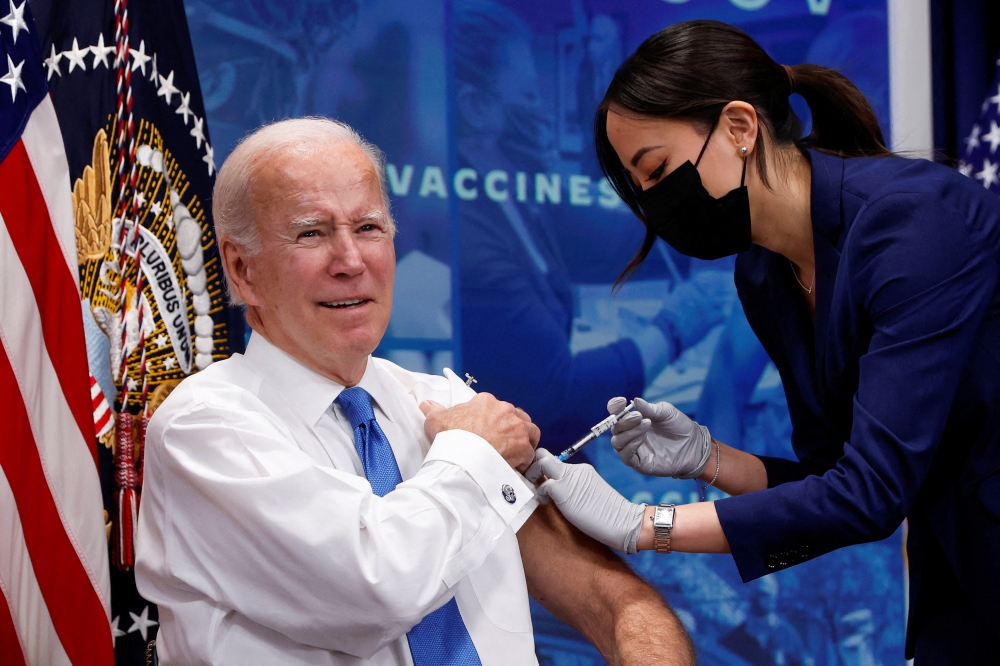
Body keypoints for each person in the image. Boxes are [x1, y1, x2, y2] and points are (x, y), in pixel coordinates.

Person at [134, 117, 693, 665]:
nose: (351, 262)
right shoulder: (204, 426)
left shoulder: (446, 407)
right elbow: (376, 588)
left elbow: (611, 597)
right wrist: (473, 455)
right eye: (312, 232)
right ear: (241, 269)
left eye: (369, 228)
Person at [526, 20, 1000, 664]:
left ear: (741, 128)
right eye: (641, 192)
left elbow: (867, 495)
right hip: (964, 593)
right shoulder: (764, 273)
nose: (657, 206)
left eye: (658, 169)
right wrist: (709, 459)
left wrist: (647, 526)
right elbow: (831, 476)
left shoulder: (912, 221)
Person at [454, 0, 728, 454]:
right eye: (526, 101)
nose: (543, 117)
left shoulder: (512, 195)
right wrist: (674, 327)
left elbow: (606, 240)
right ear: (476, 108)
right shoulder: (470, 233)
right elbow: (557, 390)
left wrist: (710, 227)